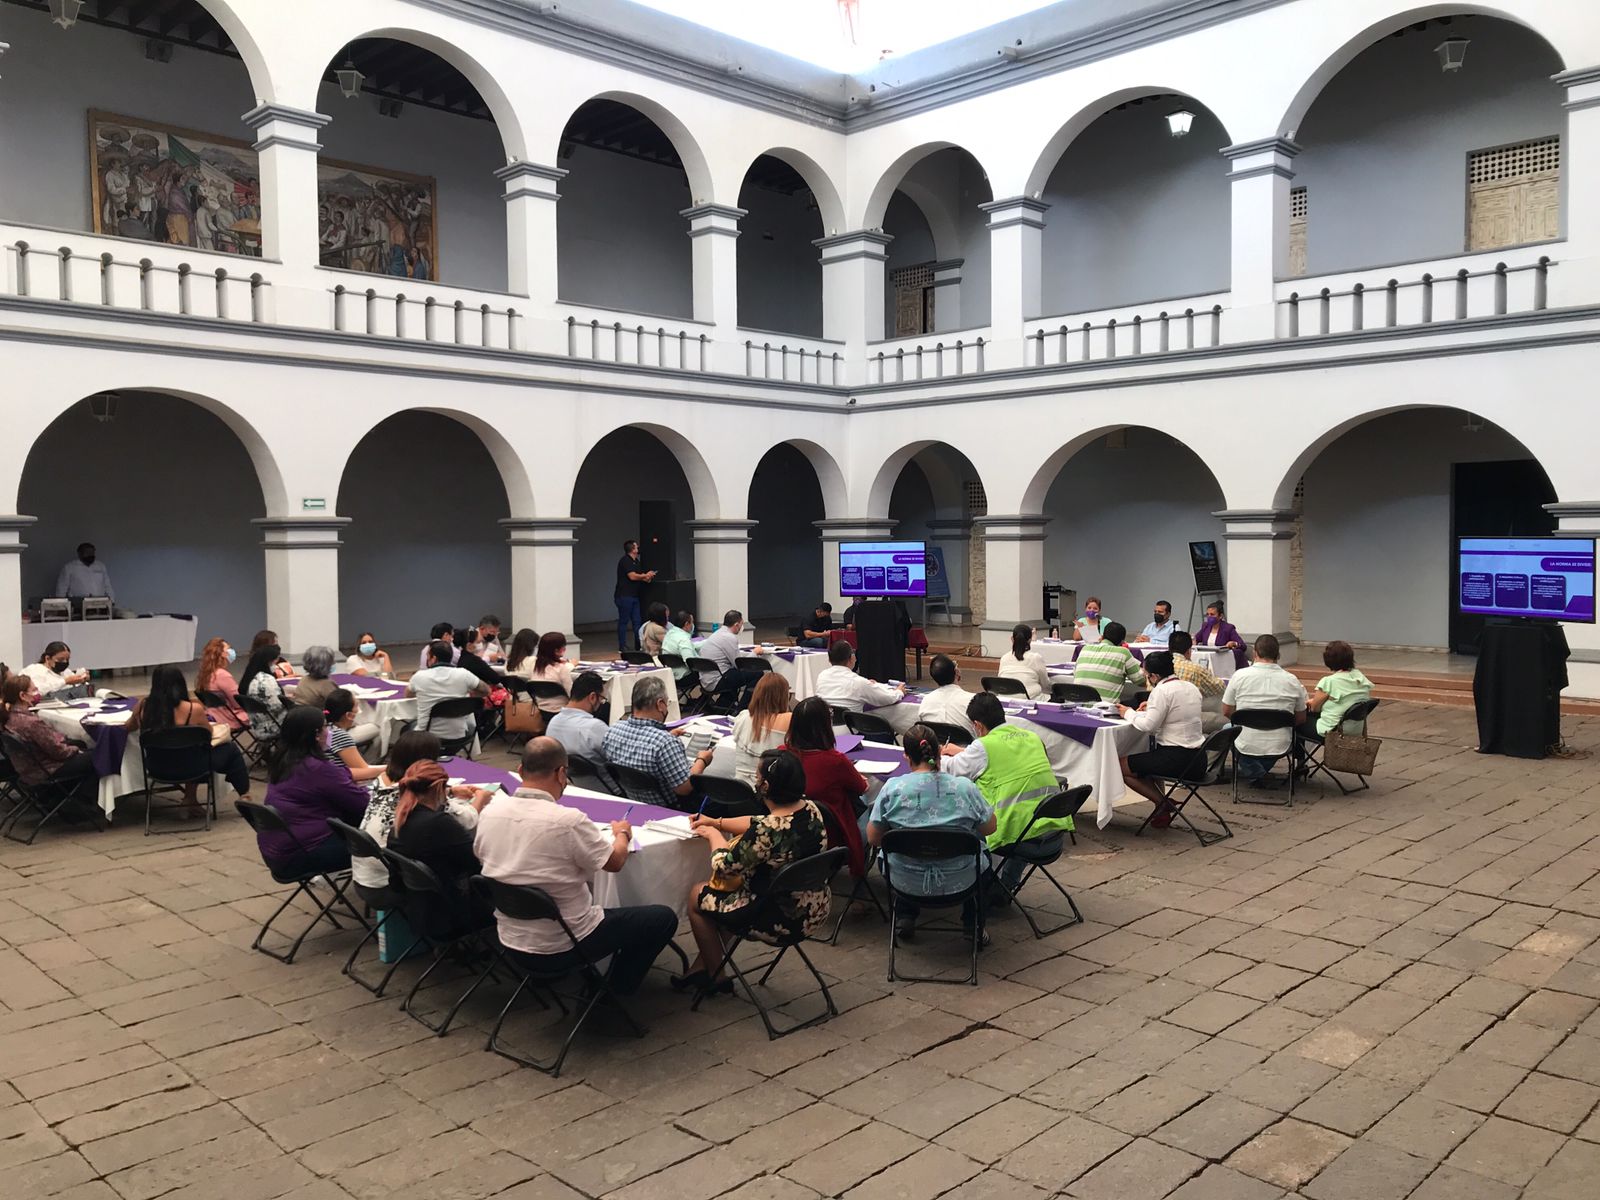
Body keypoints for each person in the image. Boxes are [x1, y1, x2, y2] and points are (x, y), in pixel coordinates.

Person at [474, 738, 677, 996]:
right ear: (561, 773)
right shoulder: (567, 821)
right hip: (563, 942)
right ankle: (611, 994)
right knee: (662, 918)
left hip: (511, 938)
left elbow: (484, 860)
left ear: (520, 770)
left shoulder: (490, 812)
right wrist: (622, 835)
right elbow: (614, 863)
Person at [680, 749, 831, 991]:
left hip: (777, 918)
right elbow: (759, 821)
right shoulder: (811, 809)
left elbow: (724, 866)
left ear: (765, 786)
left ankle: (715, 977)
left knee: (697, 894)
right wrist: (716, 821)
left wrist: (712, 834)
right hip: (815, 907)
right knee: (730, 893)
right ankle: (704, 965)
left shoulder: (767, 831)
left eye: (757, 777)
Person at [868, 724, 997, 941]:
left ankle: (905, 916)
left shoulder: (893, 788)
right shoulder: (964, 788)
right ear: (940, 753)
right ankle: (972, 924)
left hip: (904, 879)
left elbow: (873, 838)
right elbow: (990, 827)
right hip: (961, 877)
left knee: (898, 851)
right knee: (982, 851)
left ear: (906, 756)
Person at [939, 692, 1070, 893]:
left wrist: (935, 755)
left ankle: (978, 889)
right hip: (1052, 833)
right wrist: (964, 752)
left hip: (1018, 836)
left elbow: (951, 769)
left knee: (961, 827)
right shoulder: (1032, 737)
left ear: (977, 725)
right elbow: (1007, 761)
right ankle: (1005, 886)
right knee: (1021, 818)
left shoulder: (983, 746)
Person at [353, 732, 488, 890]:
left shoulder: (382, 779)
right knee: (459, 840)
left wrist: (450, 791)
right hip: (391, 880)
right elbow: (468, 819)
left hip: (366, 873)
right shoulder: (420, 798)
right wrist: (481, 797)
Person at [255, 708, 371, 877]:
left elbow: (340, 777)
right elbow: (363, 805)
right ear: (316, 735)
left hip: (279, 850)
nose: (329, 731)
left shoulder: (284, 762)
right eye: (325, 727)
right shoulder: (317, 768)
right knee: (385, 838)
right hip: (303, 853)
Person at [130, 662, 251, 809]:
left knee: (186, 749)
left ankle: (190, 798)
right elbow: (208, 734)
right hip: (194, 767)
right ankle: (244, 795)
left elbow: (128, 727)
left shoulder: (144, 707)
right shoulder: (193, 709)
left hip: (157, 767)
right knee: (229, 749)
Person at [783, 696, 868, 876]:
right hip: (832, 833)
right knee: (873, 804)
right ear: (825, 726)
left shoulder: (782, 755)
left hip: (789, 829)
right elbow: (862, 788)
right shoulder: (835, 760)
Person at [1117, 651, 1207, 819]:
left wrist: (1128, 713)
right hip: (1199, 759)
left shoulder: (1162, 691)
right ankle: (1162, 806)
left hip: (1177, 759)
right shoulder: (1190, 687)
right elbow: (1178, 713)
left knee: (1119, 766)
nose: (1146, 678)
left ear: (1154, 676)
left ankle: (1162, 802)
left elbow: (1148, 726)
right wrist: (1152, 706)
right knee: (1147, 760)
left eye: (1146, 675)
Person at [387, 759, 494, 899]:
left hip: (419, 899)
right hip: (453, 899)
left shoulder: (401, 818)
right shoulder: (440, 823)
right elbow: (476, 862)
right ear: (439, 788)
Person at [0, 676, 102, 821]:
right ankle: (80, 803)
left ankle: (71, 799)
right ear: (22, 695)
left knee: (81, 745)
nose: (37, 692)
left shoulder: (9, 718)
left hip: (28, 770)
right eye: (34, 689)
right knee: (98, 755)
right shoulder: (31, 722)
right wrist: (74, 750)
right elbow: (59, 752)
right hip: (48, 769)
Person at [602, 675, 710, 807]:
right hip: (671, 807)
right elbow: (684, 789)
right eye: (667, 703)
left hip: (633, 801)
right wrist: (702, 760)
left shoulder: (612, 730)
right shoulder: (664, 742)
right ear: (660, 704)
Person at [1223, 634, 1308, 785]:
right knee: (1292, 733)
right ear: (1278, 654)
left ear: (1255, 653)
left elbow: (1227, 711)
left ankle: (1256, 773)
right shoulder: (1292, 680)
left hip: (1245, 740)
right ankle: (1259, 773)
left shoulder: (1239, 676)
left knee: (1225, 730)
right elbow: (1301, 718)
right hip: (1280, 742)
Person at [1298, 641, 1374, 761]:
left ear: (1328, 661)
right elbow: (1347, 698)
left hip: (1333, 731)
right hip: (1354, 730)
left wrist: (1312, 702)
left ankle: (1300, 764)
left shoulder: (1329, 682)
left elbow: (1314, 708)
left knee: (1299, 720)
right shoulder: (1360, 678)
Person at [545, 672, 617, 790]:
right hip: (609, 791)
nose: (601, 704)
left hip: (573, 787)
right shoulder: (594, 727)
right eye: (602, 700)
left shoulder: (553, 723)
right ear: (593, 697)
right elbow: (620, 761)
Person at [407, 640, 487, 739]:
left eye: (428, 656)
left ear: (434, 658)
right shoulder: (464, 674)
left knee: (406, 729)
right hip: (459, 736)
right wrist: (468, 695)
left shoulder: (419, 676)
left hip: (426, 739)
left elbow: (408, 694)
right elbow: (486, 690)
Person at [728, 673, 793, 786]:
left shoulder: (743, 717)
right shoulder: (789, 720)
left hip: (739, 787)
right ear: (783, 696)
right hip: (770, 792)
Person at [816, 639, 904, 714]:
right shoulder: (858, 682)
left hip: (825, 726)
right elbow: (886, 698)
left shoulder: (822, 675)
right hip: (849, 729)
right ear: (851, 658)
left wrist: (868, 685)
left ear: (829, 659)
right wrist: (899, 691)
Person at [697, 609, 762, 703]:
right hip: (718, 680)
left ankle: (725, 704)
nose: (742, 627)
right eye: (741, 624)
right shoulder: (729, 637)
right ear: (736, 625)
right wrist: (755, 653)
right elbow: (740, 665)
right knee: (757, 673)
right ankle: (742, 707)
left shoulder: (716, 634)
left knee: (733, 673)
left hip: (706, 679)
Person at [1169, 631, 1227, 734]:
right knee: (1227, 721)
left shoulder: (1158, 665)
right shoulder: (1195, 669)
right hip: (1186, 719)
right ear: (1189, 651)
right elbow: (1218, 687)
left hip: (1163, 717)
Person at [1072, 621, 1144, 703]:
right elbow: (1140, 681)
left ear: (1102, 637)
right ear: (1122, 642)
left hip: (1078, 705)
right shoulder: (1123, 653)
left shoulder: (1085, 649)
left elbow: (1075, 673)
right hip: (1104, 709)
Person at [323, 689, 383, 782]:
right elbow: (364, 771)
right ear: (348, 715)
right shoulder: (340, 736)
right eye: (356, 706)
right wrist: (391, 768)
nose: (358, 711)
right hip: (339, 783)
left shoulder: (326, 729)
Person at [917, 654, 977, 736]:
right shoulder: (973, 701)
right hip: (967, 748)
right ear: (957, 672)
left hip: (937, 746)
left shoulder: (926, 701)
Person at [239, 641, 287, 742]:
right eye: (277, 660)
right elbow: (277, 707)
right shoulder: (267, 681)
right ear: (269, 661)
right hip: (273, 726)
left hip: (257, 725)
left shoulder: (250, 678)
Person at [195, 637, 246, 730]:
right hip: (229, 718)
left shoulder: (205, 674)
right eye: (228, 649)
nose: (231, 651)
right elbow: (238, 703)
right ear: (222, 654)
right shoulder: (223, 675)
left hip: (213, 715)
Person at [614, 539, 656, 653]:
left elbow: (640, 575)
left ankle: (639, 645)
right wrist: (644, 576)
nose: (638, 549)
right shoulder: (625, 561)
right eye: (636, 547)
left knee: (637, 621)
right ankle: (622, 646)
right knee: (624, 621)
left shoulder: (636, 561)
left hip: (634, 595)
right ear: (632, 549)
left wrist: (648, 576)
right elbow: (632, 576)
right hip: (624, 595)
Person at [997, 624, 1051, 700]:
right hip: (1030, 699)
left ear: (1012, 639)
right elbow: (1045, 685)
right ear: (1030, 639)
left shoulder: (1004, 658)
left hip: (1004, 698)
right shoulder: (1035, 658)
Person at [528, 632, 575, 715]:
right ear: (557, 651)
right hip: (562, 710)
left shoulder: (534, 666)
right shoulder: (561, 669)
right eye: (564, 648)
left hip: (541, 710)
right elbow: (572, 694)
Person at [23, 642, 90, 699]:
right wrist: (65, 681)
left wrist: (82, 681)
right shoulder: (35, 670)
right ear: (48, 658)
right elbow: (37, 692)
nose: (65, 662)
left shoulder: (66, 672)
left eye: (67, 659)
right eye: (61, 659)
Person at [1194, 602, 1247, 670]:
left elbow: (1243, 646)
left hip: (1223, 663)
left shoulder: (1228, 628)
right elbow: (1196, 639)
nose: (1209, 617)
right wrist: (1192, 639)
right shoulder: (1205, 626)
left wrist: (1234, 643)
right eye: (1208, 614)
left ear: (1220, 616)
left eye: (1212, 614)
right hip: (1208, 662)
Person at [288, 645, 338, 711]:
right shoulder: (327, 684)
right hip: (318, 717)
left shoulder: (304, 679)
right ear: (325, 665)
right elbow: (339, 705)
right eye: (332, 661)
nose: (334, 662)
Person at [659, 610, 697, 684]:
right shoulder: (683, 639)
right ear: (686, 624)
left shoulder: (670, 633)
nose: (693, 625)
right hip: (683, 677)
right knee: (709, 673)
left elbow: (690, 646)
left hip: (670, 675)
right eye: (692, 622)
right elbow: (691, 662)